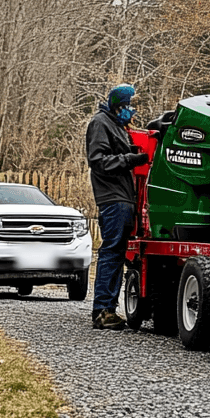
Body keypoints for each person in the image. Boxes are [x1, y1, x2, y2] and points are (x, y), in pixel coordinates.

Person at [85, 84, 149, 330]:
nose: (132, 111)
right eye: (129, 106)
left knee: (117, 252)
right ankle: (103, 310)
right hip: (113, 198)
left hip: (122, 196)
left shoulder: (116, 126)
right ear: (118, 105)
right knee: (111, 252)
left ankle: (107, 308)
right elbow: (99, 161)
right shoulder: (100, 123)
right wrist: (132, 159)